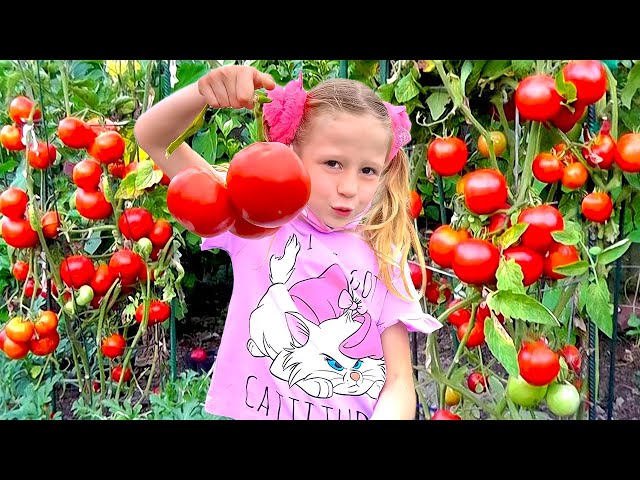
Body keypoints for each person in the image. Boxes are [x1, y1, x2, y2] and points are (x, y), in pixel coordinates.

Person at [134, 64, 442, 420]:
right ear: (292, 154)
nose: (349, 188)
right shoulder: (256, 219)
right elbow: (152, 137)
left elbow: (400, 381)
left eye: (367, 170)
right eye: (332, 163)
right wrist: (204, 93)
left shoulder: (383, 250)